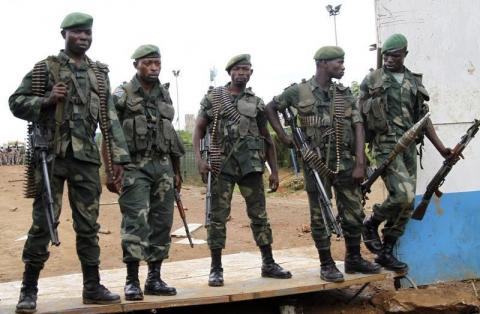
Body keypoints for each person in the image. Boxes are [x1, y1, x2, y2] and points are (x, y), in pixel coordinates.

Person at [9, 12, 130, 313]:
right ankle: (29, 289)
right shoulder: (46, 69)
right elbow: (15, 102)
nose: (84, 38)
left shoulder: (99, 74)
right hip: (51, 156)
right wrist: (46, 100)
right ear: (63, 34)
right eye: (77, 33)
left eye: (88, 33)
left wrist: (119, 160)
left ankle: (92, 286)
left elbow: (110, 120)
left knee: (88, 226)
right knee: (42, 224)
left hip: (86, 159)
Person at [265, 46, 381, 282]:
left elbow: (358, 125)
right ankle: (326, 264)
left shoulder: (344, 93)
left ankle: (353, 258)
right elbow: (270, 108)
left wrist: (360, 162)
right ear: (322, 64)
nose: (343, 66)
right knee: (320, 214)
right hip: (315, 163)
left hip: (347, 162)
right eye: (338, 62)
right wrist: (284, 137)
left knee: (354, 212)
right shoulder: (299, 91)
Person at [193, 54, 292, 287]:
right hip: (222, 166)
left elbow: (267, 138)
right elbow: (198, 130)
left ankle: (268, 262)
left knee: (259, 216)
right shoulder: (214, 98)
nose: (242, 73)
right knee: (217, 217)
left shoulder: (256, 102)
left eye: (246, 69)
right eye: (238, 69)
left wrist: (274, 171)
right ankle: (216, 268)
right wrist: (199, 160)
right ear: (230, 72)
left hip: (251, 166)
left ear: (251, 73)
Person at [358, 34, 450, 271]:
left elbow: (424, 120)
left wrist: (442, 149)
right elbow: (358, 118)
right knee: (403, 196)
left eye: (395, 55)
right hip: (385, 145)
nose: (389, 59)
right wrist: (359, 156)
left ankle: (386, 251)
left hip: (409, 147)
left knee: (408, 205)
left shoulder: (414, 81)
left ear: (405, 55)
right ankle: (372, 222)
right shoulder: (372, 80)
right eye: (386, 55)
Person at [109, 44, 184, 300]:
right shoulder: (122, 93)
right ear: (136, 65)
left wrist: (176, 170)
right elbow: (109, 131)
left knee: (162, 222)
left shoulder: (164, 94)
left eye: (157, 63)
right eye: (148, 63)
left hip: (162, 165)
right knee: (136, 221)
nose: (154, 68)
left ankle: (154, 278)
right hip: (133, 167)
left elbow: (170, 133)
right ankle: (132, 280)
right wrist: (110, 169)